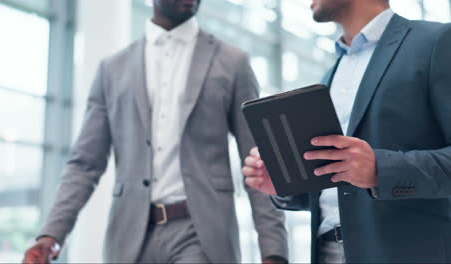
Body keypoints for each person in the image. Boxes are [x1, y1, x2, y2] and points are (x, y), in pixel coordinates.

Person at [23, 0, 288, 263]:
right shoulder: (112, 70)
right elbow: (85, 163)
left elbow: (258, 161)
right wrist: (51, 235)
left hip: (202, 234)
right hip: (130, 236)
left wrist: (273, 252)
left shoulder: (233, 62)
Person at [243, 0, 451, 263]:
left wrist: (379, 170)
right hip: (327, 251)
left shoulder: (436, 42)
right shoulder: (331, 74)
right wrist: (285, 186)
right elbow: (341, 189)